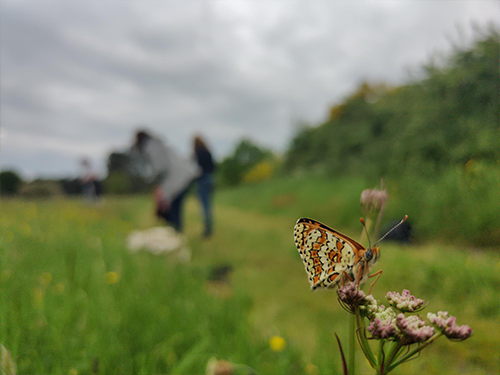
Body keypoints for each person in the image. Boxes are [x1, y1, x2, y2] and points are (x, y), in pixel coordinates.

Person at [132, 130, 200, 232]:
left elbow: (160, 168)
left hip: (178, 179)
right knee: (173, 208)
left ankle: (174, 235)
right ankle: (175, 233)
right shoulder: (157, 144)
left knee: (172, 209)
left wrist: (154, 182)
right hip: (182, 177)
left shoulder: (152, 146)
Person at [193, 135, 216, 238]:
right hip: (210, 179)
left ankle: (207, 231)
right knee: (208, 205)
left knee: (204, 206)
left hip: (202, 180)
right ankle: (209, 228)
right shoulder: (208, 152)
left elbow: (194, 170)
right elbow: (214, 166)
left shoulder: (197, 154)